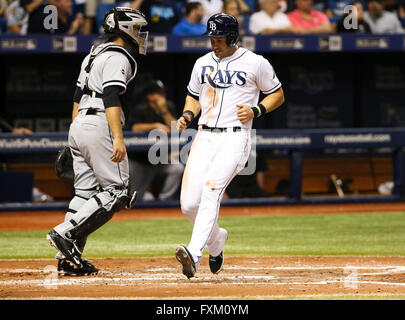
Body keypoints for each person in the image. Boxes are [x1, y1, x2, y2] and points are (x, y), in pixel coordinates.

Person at [175, 13, 285, 278]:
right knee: (188, 204)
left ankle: (193, 253)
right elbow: (193, 95)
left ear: (233, 37)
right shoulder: (202, 62)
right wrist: (188, 114)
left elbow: (278, 94)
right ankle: (216, 241)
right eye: (212, 37)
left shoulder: (255, 62)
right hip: (204, 136)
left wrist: (256, 110)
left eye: (220, 38)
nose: (215, 43)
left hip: (235, 137)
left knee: (211, 189)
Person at [46, 7, 148, 276]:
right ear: (124, 29)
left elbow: (78, 97)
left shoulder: (94, 52)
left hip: (80, 122)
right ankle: (64, 233)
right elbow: (111, 96)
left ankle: (67, 259)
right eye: (137, 29)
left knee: (85, 194)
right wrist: (117, 137)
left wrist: (76, 135)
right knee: (117, 192)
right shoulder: (119, 56)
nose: (140, 34)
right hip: (101, 121)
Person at [127, 79, 184, 201]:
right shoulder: (140, 108)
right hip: (140, 160)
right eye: (158, 93)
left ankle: (165, 200)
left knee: (177, 168)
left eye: (162, 93)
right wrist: (155, 126)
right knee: (136, 197)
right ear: (150, 95)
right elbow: (134, 128)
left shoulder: (169, 107)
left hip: (160, 159)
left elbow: (176, 129)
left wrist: (164, 112)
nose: (162, 96)